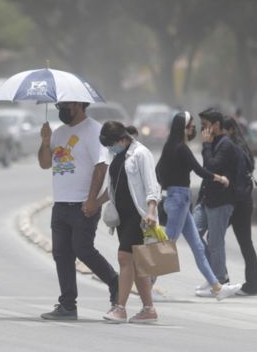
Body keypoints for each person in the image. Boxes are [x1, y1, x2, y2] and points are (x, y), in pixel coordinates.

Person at [38, 101, 119, 320]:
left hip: (83, 204)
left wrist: (92, 200)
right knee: (61, 254)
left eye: (64, 105)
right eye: (58, 105)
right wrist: (46, 141)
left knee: (83, 249)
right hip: (61, 203)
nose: (60, 108)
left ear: (77, 104)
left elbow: (101, 166)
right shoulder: (59, 133)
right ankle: (67, 305)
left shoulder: (94, 130)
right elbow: (45, 164)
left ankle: (115, 283)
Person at [155, 111, 239, 300]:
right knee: (167, 245)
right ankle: (147, 284)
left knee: (197, 246)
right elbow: (200, 170)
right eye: (191, 126)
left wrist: (167, 185)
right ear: (183, 128)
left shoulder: (170, 146)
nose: (195, 129)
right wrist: (219, 178)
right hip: (178, 200)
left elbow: (158, 170)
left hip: (178, 200)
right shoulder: (181, 148)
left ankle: (217, 287)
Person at [98, 121, 159, 323]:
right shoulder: (117, 156)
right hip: (122, 218)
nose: (110, 148)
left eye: (112, 144)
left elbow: (152, 185)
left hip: (139, 216)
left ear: (122, 139)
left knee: (124, 258)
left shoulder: (141, 154)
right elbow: (113, 188)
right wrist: (94, 203)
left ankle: (120, 307)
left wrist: (151, 211)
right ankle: (148, 309)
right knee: (137, 265)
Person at [193, 108, 238, 292]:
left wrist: (205, 145)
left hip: (220, 202)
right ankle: (215, 276)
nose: (203, 130)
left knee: (215, 243)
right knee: (194, 234)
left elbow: (212, 167)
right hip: (206, 200)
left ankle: (219, 281)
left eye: (206, 125)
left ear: (217, 125)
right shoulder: (213, 143)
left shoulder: (225, 145)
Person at [222, 116, 257, 296]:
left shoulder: (234, 148)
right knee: (245, 244)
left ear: (229, 130)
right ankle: (252, 284)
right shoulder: (241, 145)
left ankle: (222, 281)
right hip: (243, 201)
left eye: (221, 129)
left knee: (215, 240)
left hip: (238, 202)